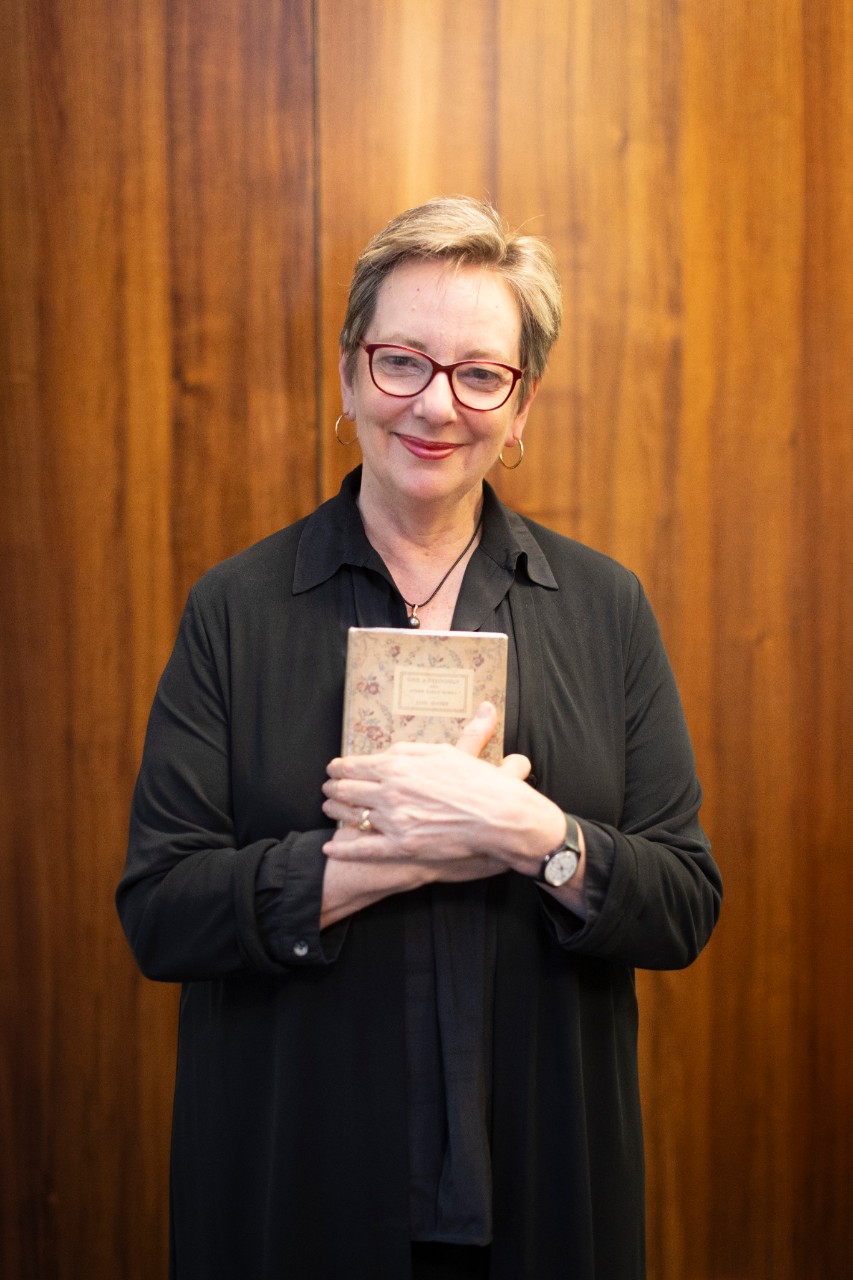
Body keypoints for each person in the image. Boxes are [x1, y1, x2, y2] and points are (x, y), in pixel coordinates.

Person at [117, 196, 722, 1280]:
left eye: (480, 372)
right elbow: (159, 913)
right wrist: (367, 861)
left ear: (521, 404)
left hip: (543, 1197)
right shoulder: (235, 608)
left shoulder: (605, 608)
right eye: (402, 361)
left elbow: (683, 903)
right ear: (349, 374)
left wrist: (532, 831)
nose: (436, 404)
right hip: (293, 1191)